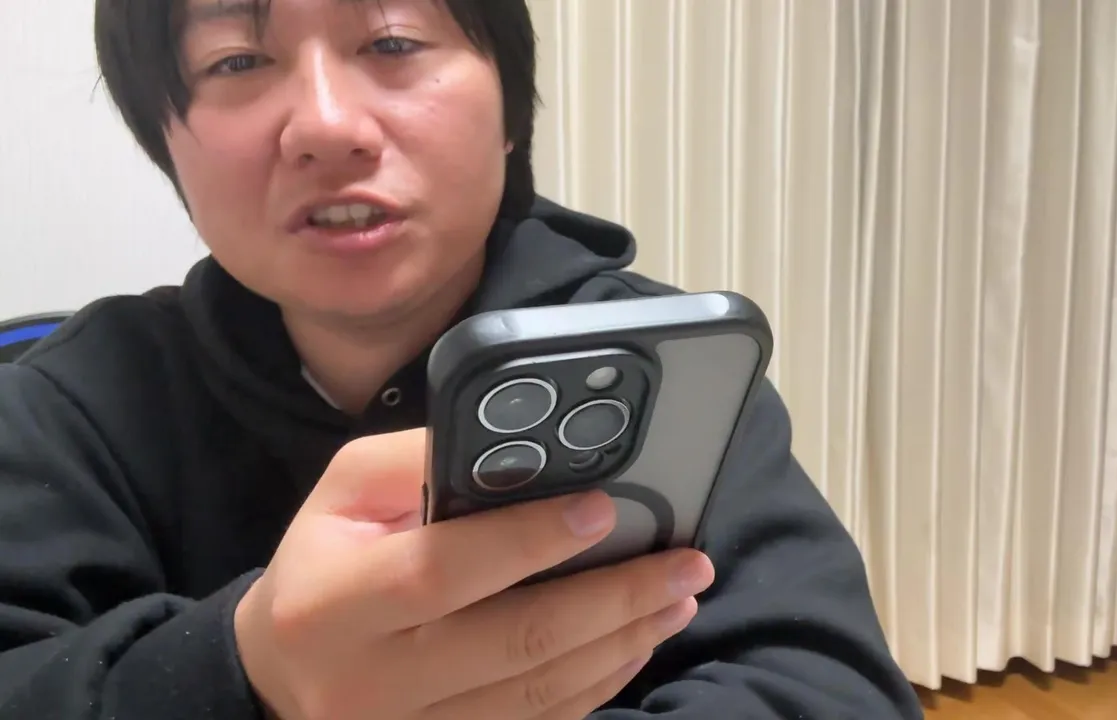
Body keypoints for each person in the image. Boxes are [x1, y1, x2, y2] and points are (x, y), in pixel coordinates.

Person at [0, 1, 922, 718]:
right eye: (236, 61)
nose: (327, 124)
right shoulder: (65, 407)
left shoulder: (667, 368)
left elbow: (827, 689)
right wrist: (244, 674)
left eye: (393, 42)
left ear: (510, 114)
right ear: (166, 145)